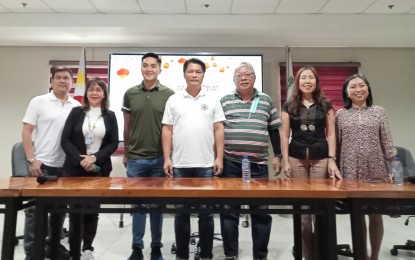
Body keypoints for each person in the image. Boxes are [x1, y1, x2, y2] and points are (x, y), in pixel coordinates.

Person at [162, 58, 225, 260]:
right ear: (184, 74)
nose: (194, 75)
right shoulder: (174, 100)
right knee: (181, 213)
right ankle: (182, 255)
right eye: (190, 71)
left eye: (198, 71)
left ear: (203, 75)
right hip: (180, 165)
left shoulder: (213, 99)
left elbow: (219, 129)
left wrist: (219, 158)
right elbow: (167, 130)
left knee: (206, 214)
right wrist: (167, 158)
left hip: (206, 165)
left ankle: (206, 254)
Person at [219, 62, 282, 260]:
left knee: (261, 212)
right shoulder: (225, 100)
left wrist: (278, 155)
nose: (243, 77)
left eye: (248, 74)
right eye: (239, 75)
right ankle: (231, 254)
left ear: (255, 78)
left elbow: (273, 129)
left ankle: (260, 256)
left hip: (258, 165)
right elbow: (217, 130)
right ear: (234, 80)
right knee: (229, 212)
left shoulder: (265, 100)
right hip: (230, 163)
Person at [281, 66, 341, 260]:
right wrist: (285, 161)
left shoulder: (326, 104)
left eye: (311, 78)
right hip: (296, 157)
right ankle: (306, 254)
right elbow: (284, 134)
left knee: (320, 208)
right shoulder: (289, 105)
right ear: (298, 82)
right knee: (303, 211)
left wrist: (332, 159)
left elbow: (331, 134)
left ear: (316, 81)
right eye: (303, 77)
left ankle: (322, 252)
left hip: (321, 157)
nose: (307, 81)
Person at [21, 66, 81, 260]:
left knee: (59, 209)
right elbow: (27, 132)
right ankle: (31, 251)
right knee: (35, 209)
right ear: (51, 81)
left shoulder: (76, 106)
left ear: (72, 82)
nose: (63, 81)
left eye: (66, 78)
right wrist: (31, 159)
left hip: (66, 165)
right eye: (59, 78)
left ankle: (53, 246)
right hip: (42, 163)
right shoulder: (39, 102)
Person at [336, 73, 397, 260]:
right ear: (346, 92)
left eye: (361, 85)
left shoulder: (379, 111)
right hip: (350, 170)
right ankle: (360, 255)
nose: (358, 89)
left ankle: (375, 256)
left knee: (376, 214)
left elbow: (387, 141)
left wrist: (394, 167)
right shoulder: (340, 114)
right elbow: (337, 145)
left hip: (376, 168)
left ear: (368, 89)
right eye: (353, 86)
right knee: (357, 214)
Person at [122, 52, 174, 260]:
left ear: (160, 69)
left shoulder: (169, 94)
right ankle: (137, 248)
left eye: (153, 65)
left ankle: (156, 247)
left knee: (157, 207)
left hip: (160, 158)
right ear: (141, 68)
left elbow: (171, 128)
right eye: (145, 65)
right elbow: (127, 126)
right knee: (138, 207)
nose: (149, 69)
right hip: (136, 159)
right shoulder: (130, 93)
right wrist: (126, 151)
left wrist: (169, 156)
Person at [61, 77, 119, 260]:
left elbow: (113, 143)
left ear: (104, 94)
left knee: (92, 211)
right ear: (86, 93)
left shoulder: (110, 115)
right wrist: (81, 161)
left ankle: (88, 248)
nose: (95, 93)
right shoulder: (76, 112)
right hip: (74, 168)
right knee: (75, 212)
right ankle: (74, 251)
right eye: (91, 89)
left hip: (99, 169)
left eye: (99, 90)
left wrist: (94, 158)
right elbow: (65, 140)